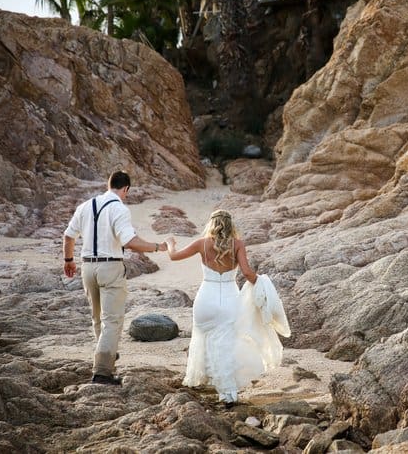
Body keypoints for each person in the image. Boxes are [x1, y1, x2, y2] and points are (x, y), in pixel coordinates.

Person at [167, 209, 287, 407]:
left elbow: (173, 256)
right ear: (231, 225)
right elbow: (248, 273)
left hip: (206, 299)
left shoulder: (201, 244)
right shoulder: (238, 244)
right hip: (230, 299)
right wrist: (263, 283)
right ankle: (228, 392)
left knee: (205, 340)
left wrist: (170, 244)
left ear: (212, 224)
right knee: (226, 346)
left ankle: (211, 382)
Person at [63, 170, 167, 386]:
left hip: (87, 267)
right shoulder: (119, 208)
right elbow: (130, 242)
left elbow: (68, 235)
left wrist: (69, 260)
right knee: (112, 320)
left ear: (108, 184)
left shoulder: (85, 205)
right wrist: (157, 247)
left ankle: (106, 353)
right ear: (125, 189)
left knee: (97, 317)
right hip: (110, 267)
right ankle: (102, 372)